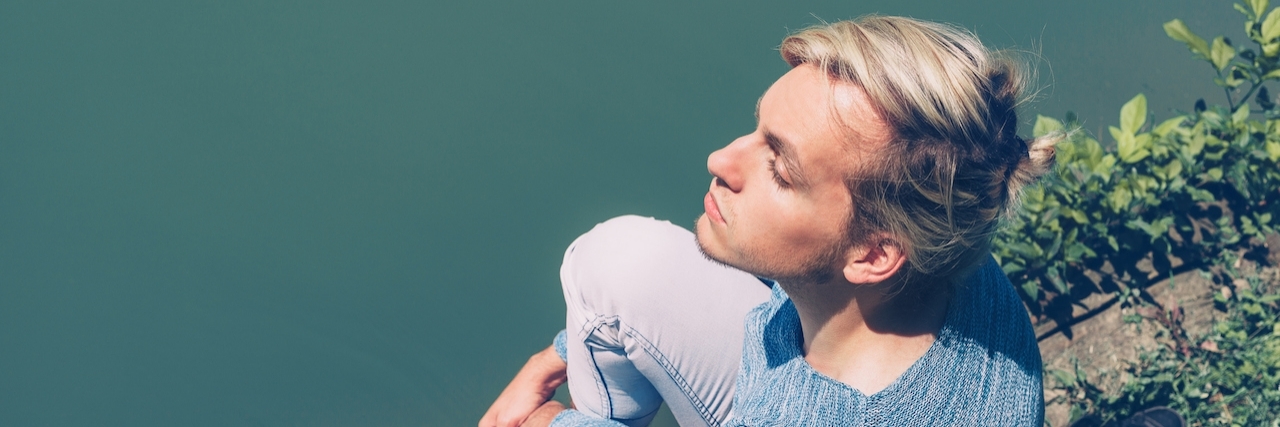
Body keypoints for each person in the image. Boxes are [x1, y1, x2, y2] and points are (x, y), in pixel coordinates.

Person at [481, 15, 1060, 427]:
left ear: (874, 254)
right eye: (757, 127)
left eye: (780, 170)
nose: (720, 161)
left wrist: (553, 423)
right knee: (613, 262)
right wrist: (564, 351)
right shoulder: (950, 244)